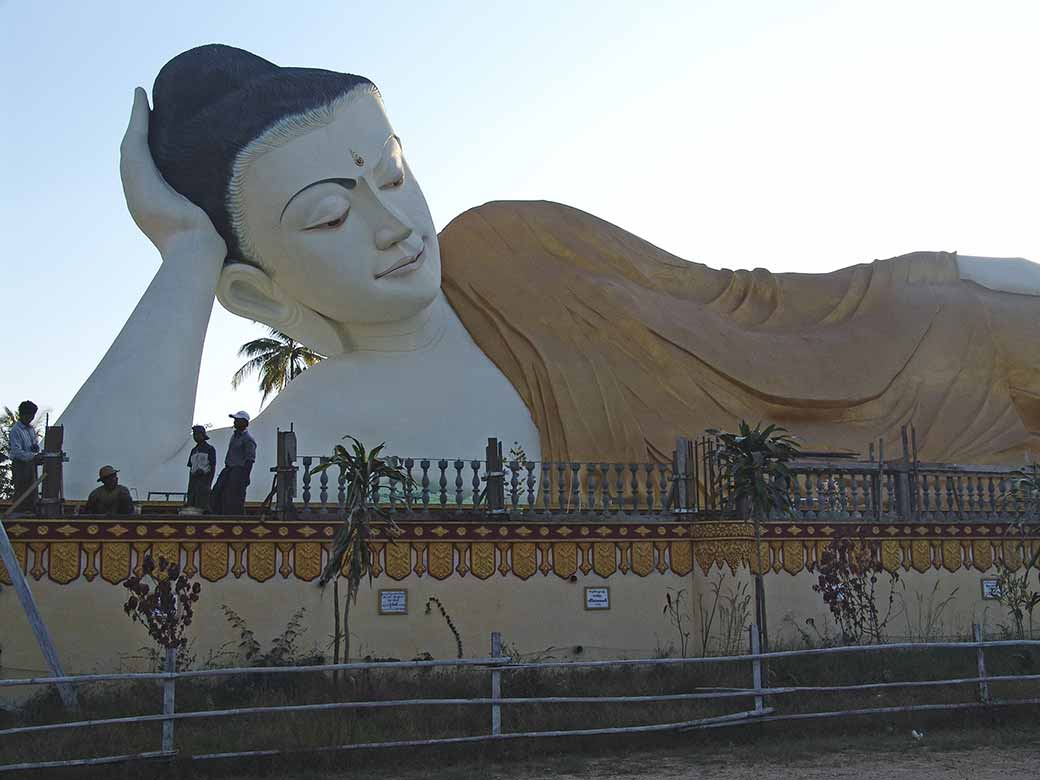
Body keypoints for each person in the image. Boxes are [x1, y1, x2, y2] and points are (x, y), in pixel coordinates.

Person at [54, 45, 1040, 502]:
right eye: (329, 215)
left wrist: (945, 270)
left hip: (894, 357)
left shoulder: (510, 241)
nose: (393, 225)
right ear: (259, 293)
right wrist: (188, 254)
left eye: (391, 174)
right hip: (869, 486)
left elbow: (743, 298)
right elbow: (105, 488)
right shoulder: (327, 419)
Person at [210, 411, 256, 515]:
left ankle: (234, 516)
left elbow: (250, 460)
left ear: (245, 423)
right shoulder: (234, 436)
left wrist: (245, 477)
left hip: (238, 470)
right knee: (217, 492)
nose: (235, 422)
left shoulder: (248, 439)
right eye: (235, 420)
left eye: (237, 420)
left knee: (233, 496)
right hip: (228, 469)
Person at [8, 400, 43, 515]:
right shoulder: (16, 430)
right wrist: (32, 456)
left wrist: (35, 449)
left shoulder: (31, 429)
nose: (31, 418)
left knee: (32, 490)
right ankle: (18, 513)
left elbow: (33, 445)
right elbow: (16, 452)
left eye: (33, 416)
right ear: (23, 415)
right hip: (20, 465)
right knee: (21, 490)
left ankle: (30, 511)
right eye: (30, 415)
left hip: (30, 464)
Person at [186, 425, 216, 511]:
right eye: (194, 434)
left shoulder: (210, 449)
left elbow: (212, 466)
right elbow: (191, 467)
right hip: (193, 479)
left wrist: (208, 482)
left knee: (202, 501)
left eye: (197, 434)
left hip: (204, 479)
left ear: (203, 435)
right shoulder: (193, 450)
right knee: (192, 500)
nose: (195, 436)